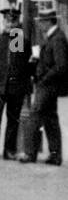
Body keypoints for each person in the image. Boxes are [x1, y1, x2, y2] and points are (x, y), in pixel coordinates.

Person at [19, 9, 67, 165]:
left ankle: (30, 153)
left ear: (48, 22)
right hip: (48, 85)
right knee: (50, 120)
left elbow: (61, 65)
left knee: (34, 116)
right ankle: (55, 155)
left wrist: (44, 78)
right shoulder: (53, 37)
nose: (39, 25)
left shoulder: (57, 39)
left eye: (41, 21)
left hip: (47, 86)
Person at [0, 7, 31, 160]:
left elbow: (22, 63)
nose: (10, 24)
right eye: (8, 21)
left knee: (13, 120)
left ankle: (9, 150)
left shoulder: (20, 41)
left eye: (13, 21)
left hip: (15, 88)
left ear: (17, 23)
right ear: (3, 22)